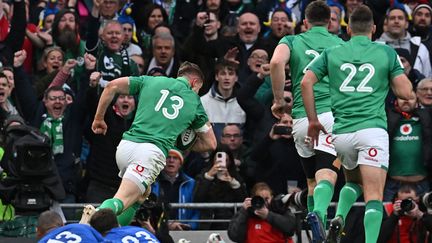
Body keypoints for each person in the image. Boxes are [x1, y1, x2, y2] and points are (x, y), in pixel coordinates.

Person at [301, 5, 414, 243]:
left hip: (341, 134)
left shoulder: (333, 51)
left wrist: (312, 120)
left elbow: (306, 83)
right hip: (372, 130)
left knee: (354, 182)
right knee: (374, 195)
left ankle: (338, 216)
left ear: (348, 29)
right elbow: (405, 92)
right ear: (374, 29)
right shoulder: (386, 53)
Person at [82, 62, 217, 226]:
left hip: (126, 146)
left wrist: (99, 119)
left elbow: (111, 86)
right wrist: (180, 143)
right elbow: (211, 144)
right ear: (194, 83)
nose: (196, 93)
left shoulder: (152, 81)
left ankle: (112, 233)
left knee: (140, 196)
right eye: (198, 90)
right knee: (121, 199)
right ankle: (89, 225)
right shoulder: (194, 101)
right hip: (150, 153)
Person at [270, 1, 343, 241]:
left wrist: (279, 101)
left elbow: (276, 63)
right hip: (330, 116)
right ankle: (320, 214)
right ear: (331, 21)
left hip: (301, 120)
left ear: (304, 23)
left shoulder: (292, 41)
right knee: (327, 176)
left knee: (311, 180)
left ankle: (317, 233)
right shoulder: (340, 44)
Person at [384, 91, 432, 202]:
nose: (406, 100)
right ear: (396, 101)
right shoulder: (388, 118)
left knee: (425, 218)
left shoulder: (427, 118)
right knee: (385, 217)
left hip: (422, 183)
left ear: (417, 100)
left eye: (410, 98)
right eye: (402, 97)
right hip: (392, 184)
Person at [194, 145, 247, 230]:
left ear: (230, 162)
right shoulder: (203, 175)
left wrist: (233, 183)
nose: (222, 163)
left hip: (231, 224)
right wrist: (208, 177)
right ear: (213, 161)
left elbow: (243, 201)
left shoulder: (236, 177)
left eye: (226, 160)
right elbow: (197, 199)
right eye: (218, 160)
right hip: (209, 224)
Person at [227, 182, 296, 243]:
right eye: (260, 199)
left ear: (272, 197)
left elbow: (290, 229)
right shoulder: (246, 213)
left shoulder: (280, 209)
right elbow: (235, 237)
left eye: (266, 199)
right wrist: (243, 212)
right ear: (253, 199)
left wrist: (268, 215)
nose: (263, 203)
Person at [151, 148, 200, 230]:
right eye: (168, 157)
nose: (171, 160)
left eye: (175, 158)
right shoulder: (152, 182)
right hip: (157, 229)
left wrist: (189, 226)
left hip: (184, 231)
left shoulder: (191, 183)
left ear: (180, 163)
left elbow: (197, 209)